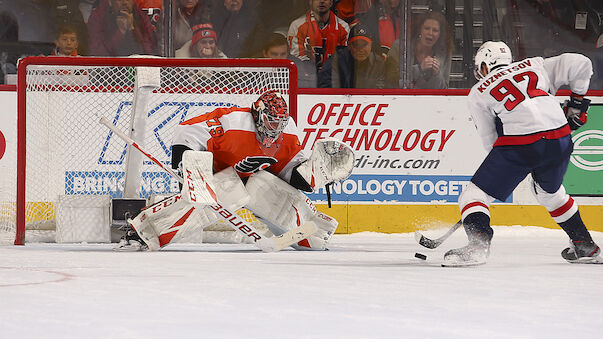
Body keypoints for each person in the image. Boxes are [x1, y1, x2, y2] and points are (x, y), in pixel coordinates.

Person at [116, 91, 354, 251]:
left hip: (253, 180)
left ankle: (313, 231)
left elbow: (289, 174)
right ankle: (143, 231)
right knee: (222, 193)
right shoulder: (232, 122)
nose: (276, 129)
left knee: (264, 187)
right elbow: (186, 131)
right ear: (258, 115)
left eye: (281, 123)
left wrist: (317, 173)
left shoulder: (288, 132)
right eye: (271, 122)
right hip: (220, 178)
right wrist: (191, 172)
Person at [444, 41, 599, 266]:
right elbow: (581, 63)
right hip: (560, 137)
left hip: (522, 143)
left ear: (485, 67)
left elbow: (491, 142)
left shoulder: (479, 91)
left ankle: (478, 246)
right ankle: (585, 245)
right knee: (550, 194)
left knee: (473, 196)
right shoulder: (535, 65)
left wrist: (516, 165)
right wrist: (576, 104)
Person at [385, 10, 453, 89]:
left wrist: (436, 75)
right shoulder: (400, 46)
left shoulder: (445, 52)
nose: (430, 33)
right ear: (420, 30)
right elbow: (390, 79)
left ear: (440, 34)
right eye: (427, 28)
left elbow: (444, 89)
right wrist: (419, 69)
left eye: (435, 30)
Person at [288, 0, 350, 71]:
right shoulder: (297, 25)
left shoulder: (343, 27)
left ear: (331, 3)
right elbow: (295, 57)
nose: (321, 1)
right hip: (305, 74)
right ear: (310, 2)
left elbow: (344, 58)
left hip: (333, 75)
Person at [318, 23, 385, 88]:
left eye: (364, 45)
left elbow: (384, 92)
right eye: (356, 45)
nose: (360, 49)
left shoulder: (378, 63)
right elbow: (325, 89)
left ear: (371, 45)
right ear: (349, 45)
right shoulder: (335, 62)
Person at [87, 0, 155, 56]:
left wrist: (132, 29)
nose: (125, 2)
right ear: (110, 2)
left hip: (138, 66)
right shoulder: (98, 16)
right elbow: (98, 54)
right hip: (109, 67)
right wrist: (121, 32)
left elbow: (149, 51)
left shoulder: (141, 16)